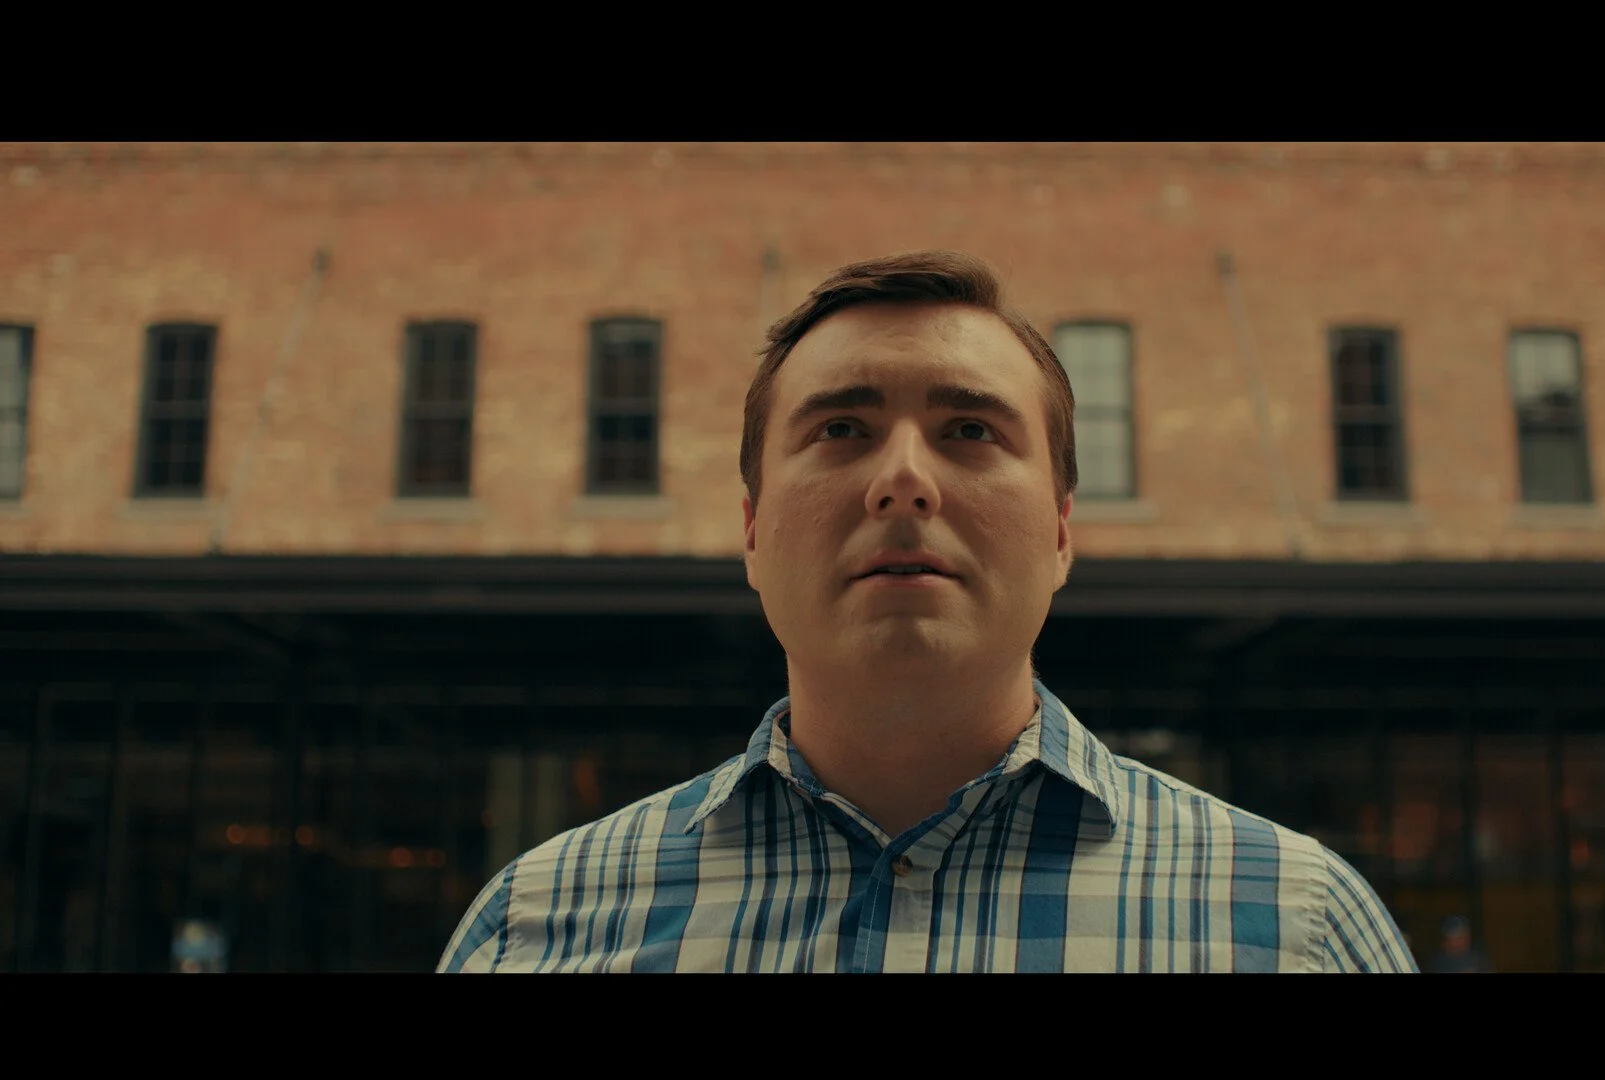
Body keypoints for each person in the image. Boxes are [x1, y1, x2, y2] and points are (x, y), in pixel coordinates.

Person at [438, 250, 1416, 973]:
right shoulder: (533, 927)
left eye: (968, 430)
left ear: (1063, 532)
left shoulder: (1300, 928)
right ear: (750, 530)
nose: (903, 480)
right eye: (841, 429)